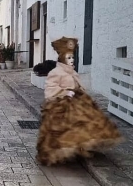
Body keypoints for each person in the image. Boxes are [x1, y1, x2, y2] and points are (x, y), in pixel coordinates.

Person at [36, 36, 123, 166]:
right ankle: (63, 151)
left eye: (72, 57)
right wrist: (65, 92)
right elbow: (50, 90)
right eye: (69, 58)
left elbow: (78, 85)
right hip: (61, 103)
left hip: (77, 100)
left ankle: (79, 149)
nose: (72, 60)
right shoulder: (56, 72)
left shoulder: (72, 72)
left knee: (87, 121)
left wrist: (79, 93)